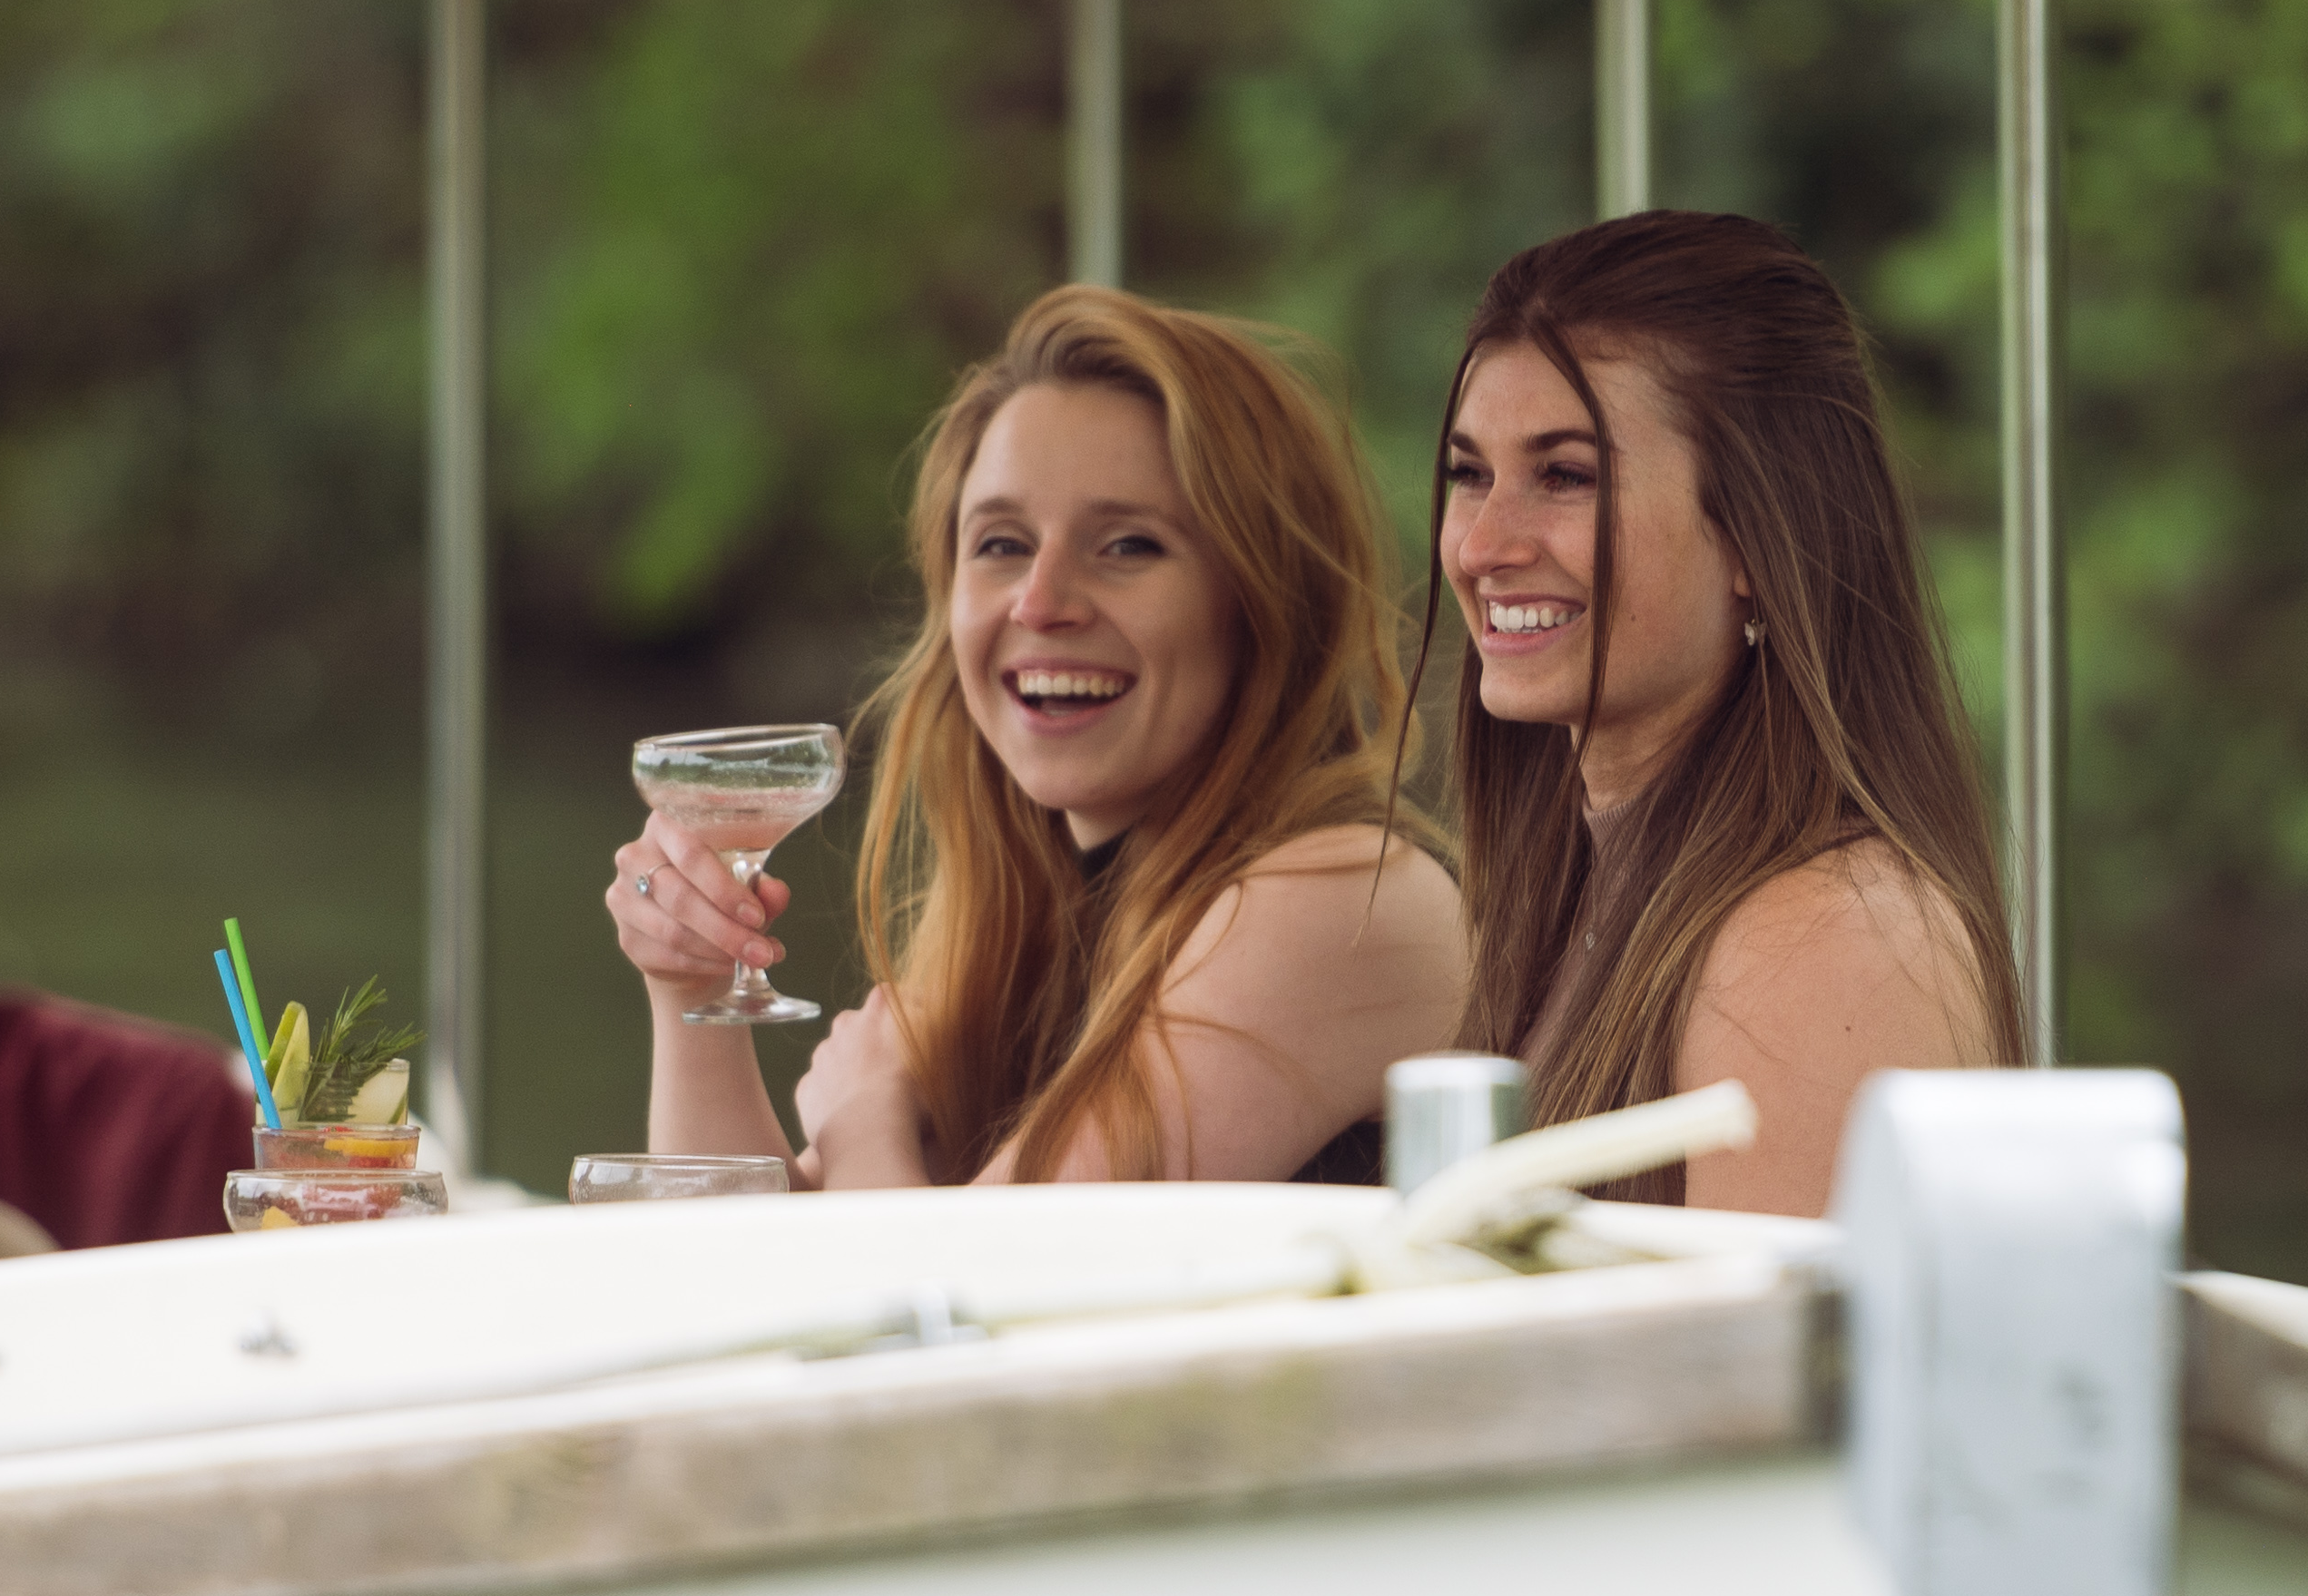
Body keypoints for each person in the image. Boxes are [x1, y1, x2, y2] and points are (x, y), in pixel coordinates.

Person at [604, 288, 1462, 1184]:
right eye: (1002, 544)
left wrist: (865, 1126)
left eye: (1128, 545)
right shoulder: (1025, 923)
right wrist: (695, 992)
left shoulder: (1340, 899)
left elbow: (983, 1303)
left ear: (1264, 603)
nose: (1042, 602)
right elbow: (744, 1286)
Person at [1430, 211, 2018, 1217]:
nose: (1482, 545)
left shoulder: (1826, 933)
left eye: (1564, 475)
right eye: (1469, 474)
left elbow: (1781, 1377)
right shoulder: (1582, 884)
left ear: (1757, 533)